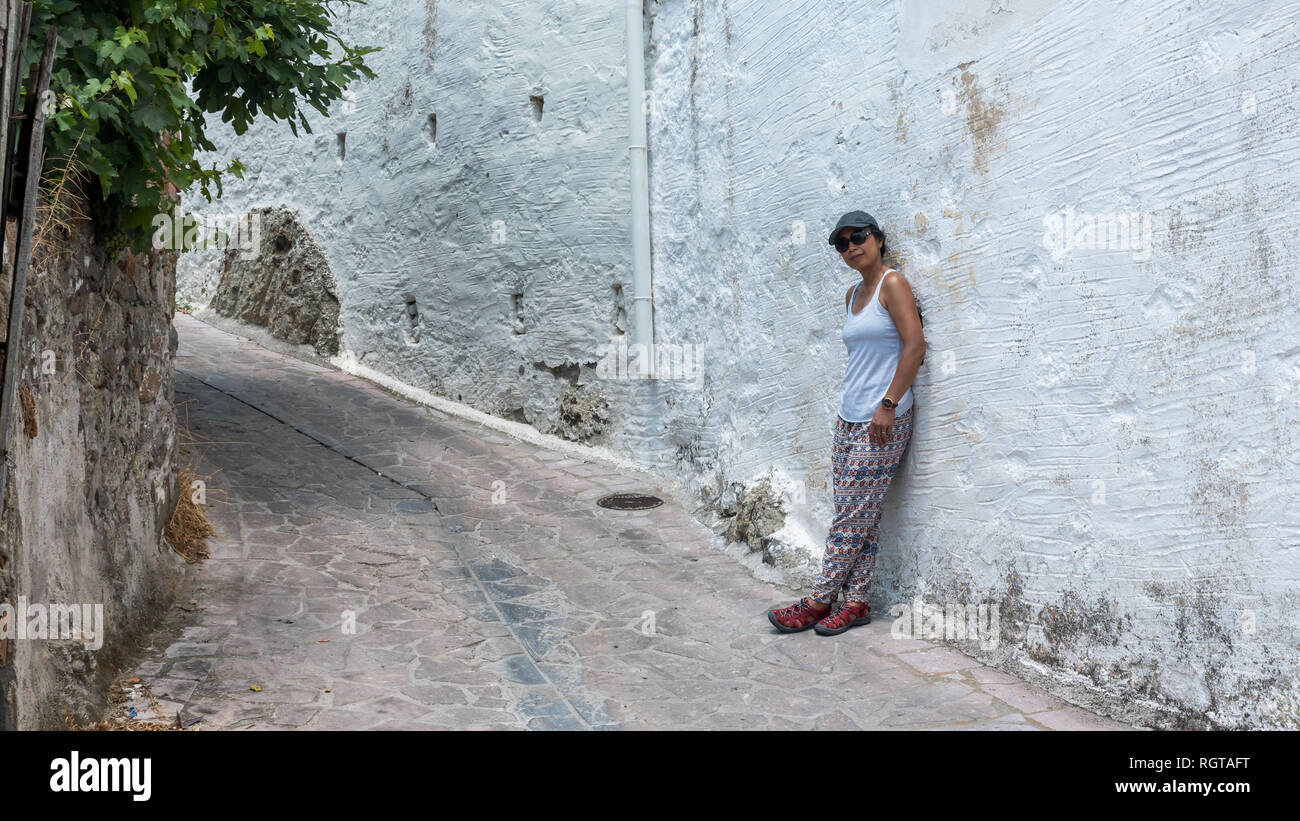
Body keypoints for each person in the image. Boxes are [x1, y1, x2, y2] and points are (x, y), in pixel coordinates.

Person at [767, 210, 925, 636]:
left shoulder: (893, 284)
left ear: (877, 239)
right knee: (860, 513)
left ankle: (819, 599)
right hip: (849, 416)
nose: (851, 246)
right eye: (842, 243)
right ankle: (855, 601)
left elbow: (915, 347)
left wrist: (889, 403)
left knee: (851, 513)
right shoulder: (853, 295)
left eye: (858, 236)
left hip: (885, 416)